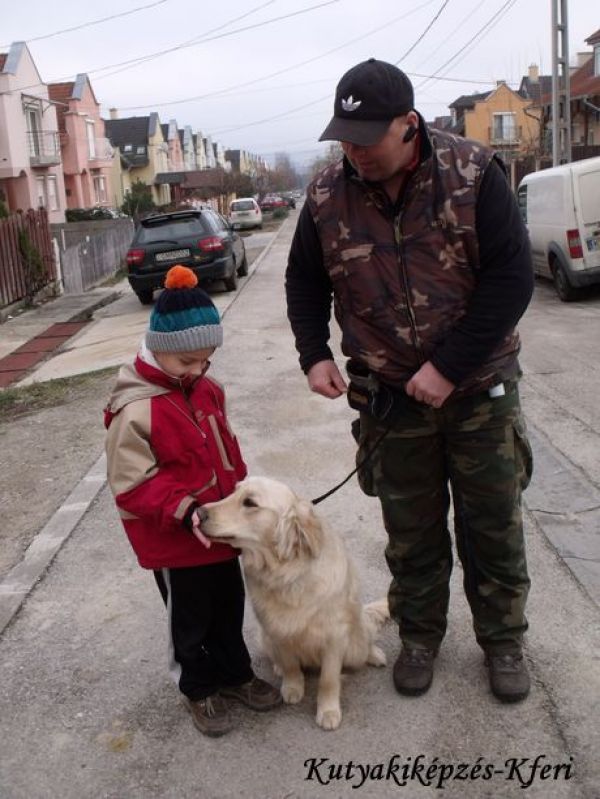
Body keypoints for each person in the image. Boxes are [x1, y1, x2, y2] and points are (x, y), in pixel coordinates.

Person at [285, 58, 535, 703]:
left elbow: (512, 280)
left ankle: (503, 643)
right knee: (412, 532)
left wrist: (448, 368)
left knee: (492, 528)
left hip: (479, 392)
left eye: (368, 139)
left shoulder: (474, 173)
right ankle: (420, 637)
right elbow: (304, 283)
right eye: (345, 137)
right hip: (392, 401)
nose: (355, 151)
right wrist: (314, 353)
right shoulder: (324, 195)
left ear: (409, 124)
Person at [105, 265, 281, 737]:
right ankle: (198, 687)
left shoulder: (207, 389)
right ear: (158, 348)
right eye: (187, 363)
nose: (198, 370)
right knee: (189, 619)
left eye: (206, 361)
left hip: (222, 532)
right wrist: (185, 510)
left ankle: (235, 673)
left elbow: (226, 452)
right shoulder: (136, 408)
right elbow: (131, 482)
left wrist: (242, 497)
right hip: (176, 541)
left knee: (229, 604)